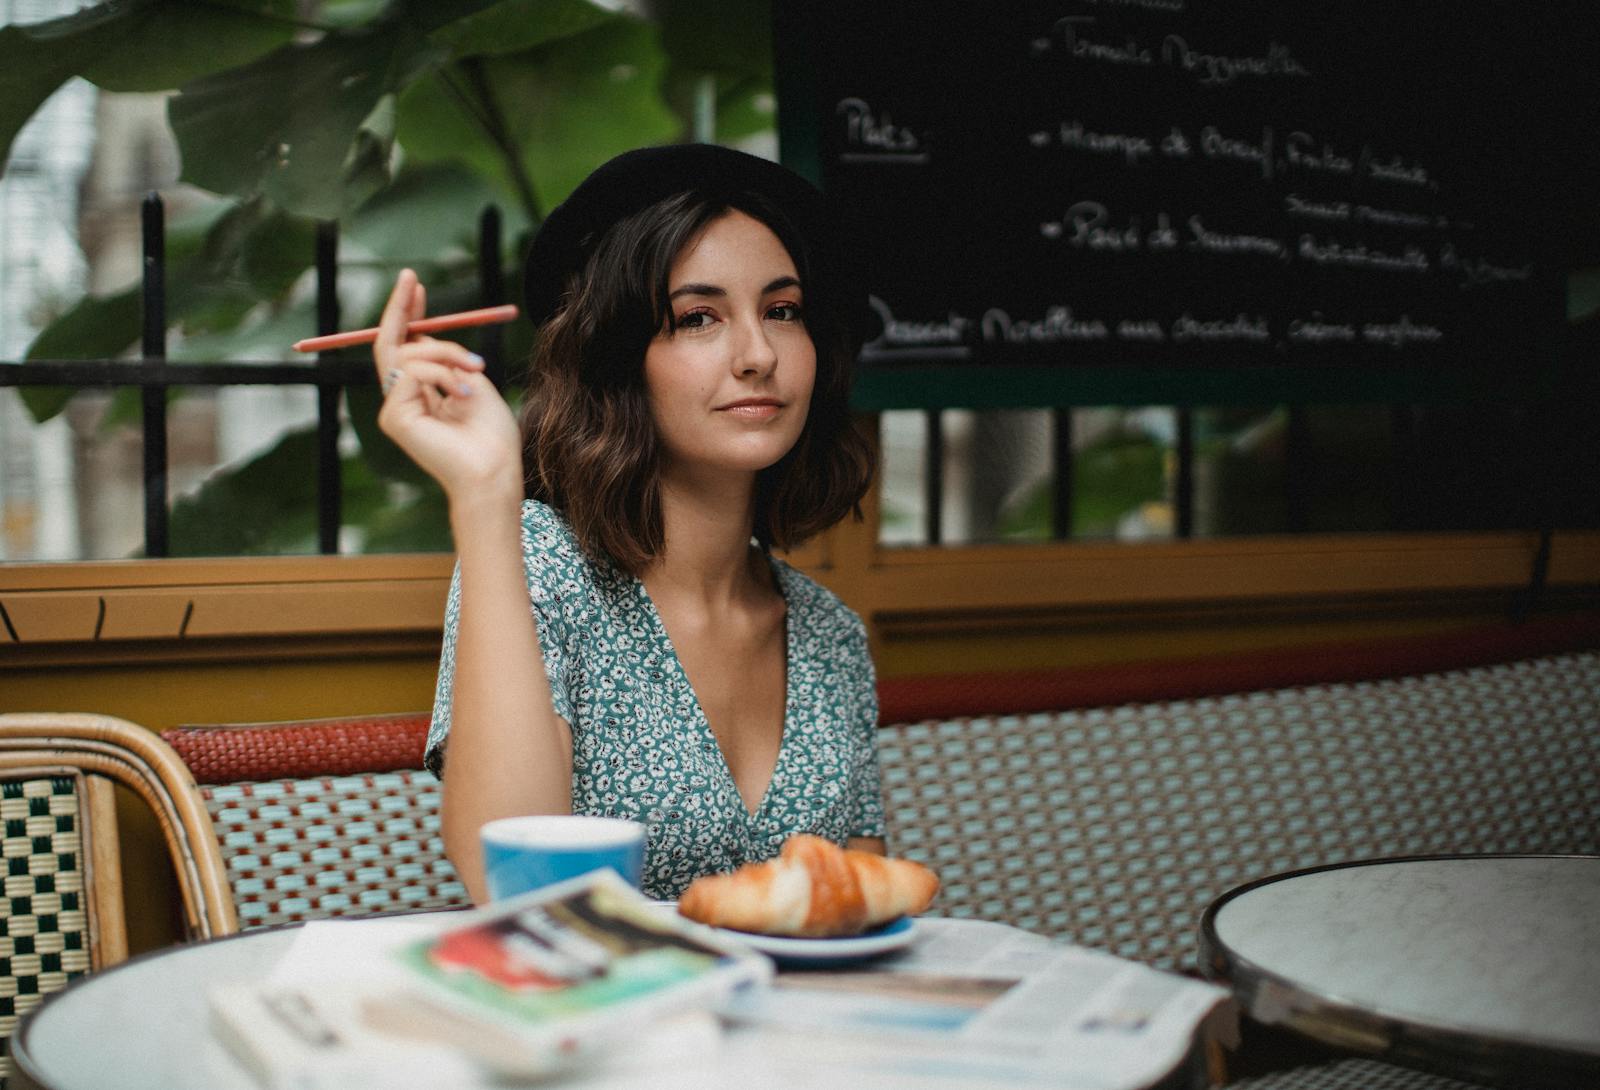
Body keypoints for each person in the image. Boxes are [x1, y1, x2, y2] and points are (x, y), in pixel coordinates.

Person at [371, 144, 884, 903]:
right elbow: (502, 876)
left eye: (783, 311)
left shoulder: (829, 633)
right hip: (592, 1014)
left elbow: (861, 904)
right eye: (697, 318)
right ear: (618, 358)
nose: (757, 354)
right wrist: (484, 495)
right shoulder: (543, 567)